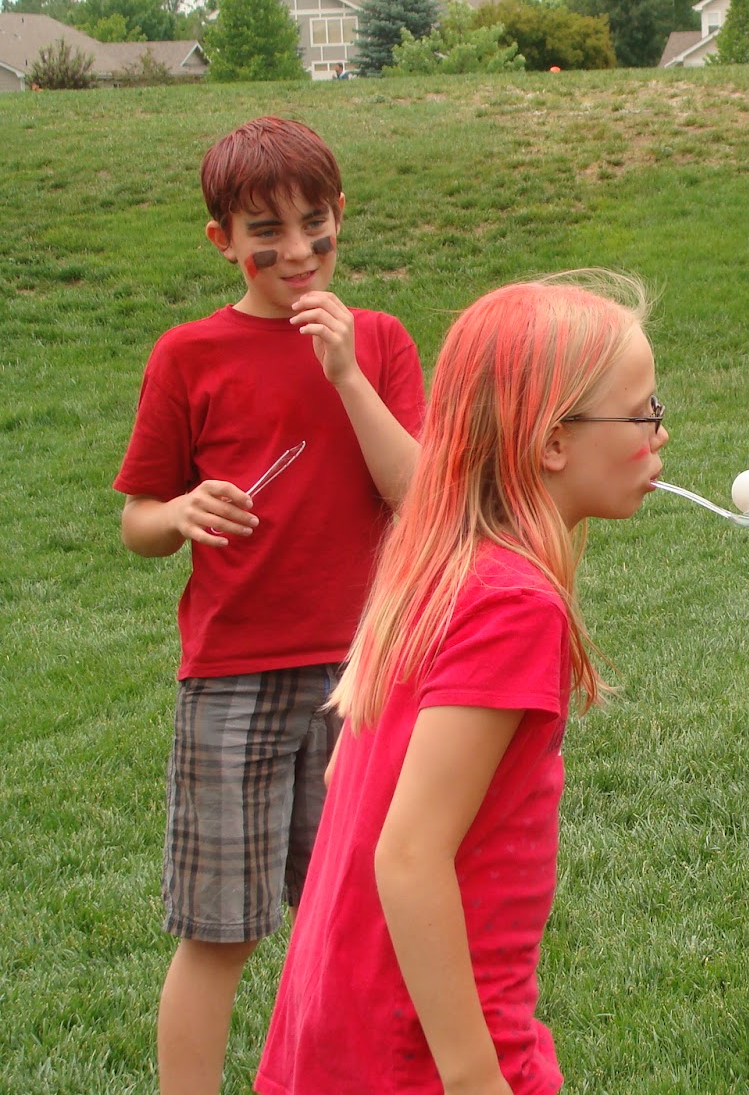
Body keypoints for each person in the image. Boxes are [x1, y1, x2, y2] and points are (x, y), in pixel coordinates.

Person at [255, 274, 669, 1095]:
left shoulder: (440, 567)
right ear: (553, 441)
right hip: (425, 1053)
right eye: (642, 414)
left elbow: (349, 777)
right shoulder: (514, 603)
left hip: (342, 1028)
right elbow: (409, 853)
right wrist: (477, 1077)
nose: (660, 434)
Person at [114, 115, 424, 1095]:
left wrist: (345, 372)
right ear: (222, 240)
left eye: (314, 225)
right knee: (221, 932)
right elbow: (138, 521)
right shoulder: (188, 356)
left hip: (362, 674)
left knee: (361, 916)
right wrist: (178, 514)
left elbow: (416, 491)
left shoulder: (378, 341)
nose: (296, 251)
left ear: (341, 217)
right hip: (230, 678)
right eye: (266, 232)